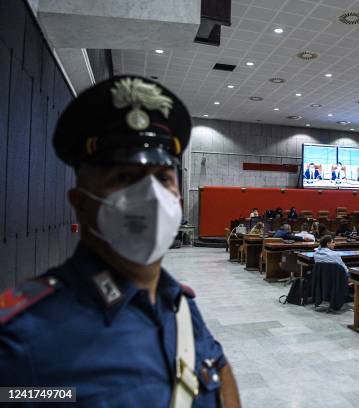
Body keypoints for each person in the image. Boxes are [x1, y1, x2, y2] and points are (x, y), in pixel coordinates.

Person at [0, 76, 240, 406]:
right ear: (81, 202)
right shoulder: (23, 337)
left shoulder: (180, 306)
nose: (152, 196)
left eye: (163, 178)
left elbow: (218, 373)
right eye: (125, 178)